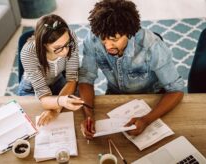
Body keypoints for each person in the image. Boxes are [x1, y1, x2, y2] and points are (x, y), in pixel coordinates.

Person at [78, 0, 184, 139]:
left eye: (114, 40)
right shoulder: (93, 39)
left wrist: (146, 120)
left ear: (129, 33)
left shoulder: (152, 46)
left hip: (152, 97)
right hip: (114, 95)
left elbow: (176, 90)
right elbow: (86, 78)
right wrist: (89, 115)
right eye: (103, 40)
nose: (108, 46)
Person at [18, 14, 84, 126]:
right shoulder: (28, 52)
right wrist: (60, 103)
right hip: (31, 89)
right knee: (32, 123)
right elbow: (43, 96)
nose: (65, 52)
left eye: (67, 44)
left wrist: (54, 109)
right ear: (43, 45)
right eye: (58, 48)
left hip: (58, 81)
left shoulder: (70, 36)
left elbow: (72, 78)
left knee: (77, 112)